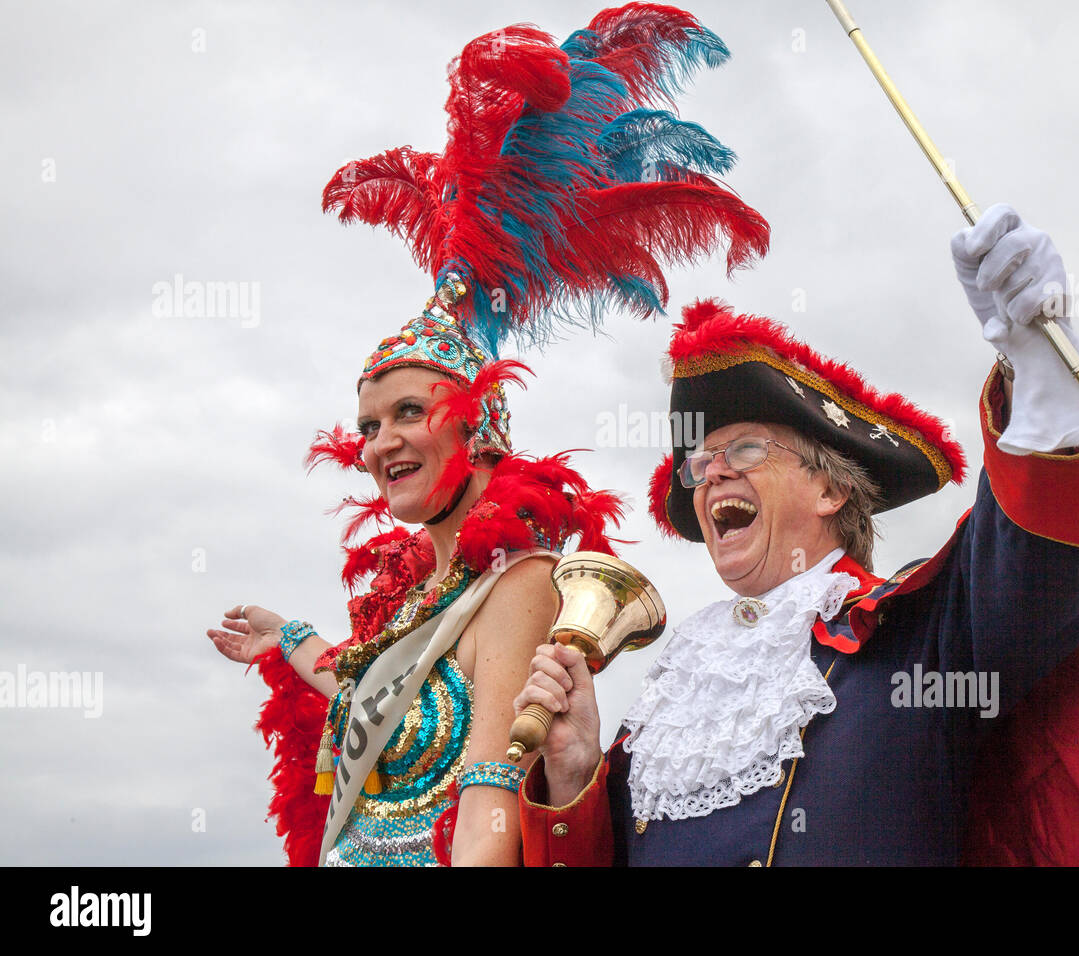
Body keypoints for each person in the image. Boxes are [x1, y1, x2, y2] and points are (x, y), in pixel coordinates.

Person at [206, 4, 769, 867]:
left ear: (481, 427)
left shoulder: (519, 581)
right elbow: (366, 686)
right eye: (367, 425)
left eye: (407, 414)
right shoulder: (405, 595)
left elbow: (488, 811)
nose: (380, 442)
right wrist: (285, 638)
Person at [514, 204, 1079, 866]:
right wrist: (572, 775)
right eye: (699, 464)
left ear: (830, 489)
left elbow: (1033, 571)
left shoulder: (917, 641)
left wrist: (1039, 394)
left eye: (747, 449)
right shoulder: (671, 703)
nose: (711, 473)